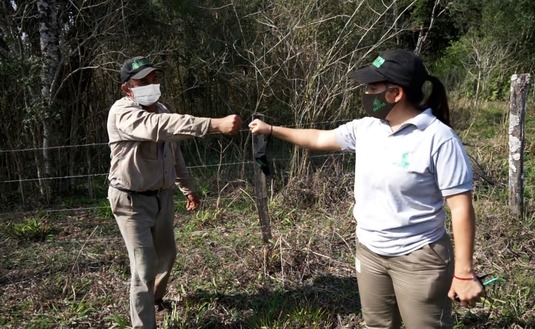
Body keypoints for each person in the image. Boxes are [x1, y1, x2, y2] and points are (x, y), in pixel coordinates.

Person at [249, 49, 484, 328]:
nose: (366, 93)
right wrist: (272, 129)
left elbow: (460, 207)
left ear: (396, 93)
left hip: (420, 257)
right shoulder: (367, 128)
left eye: (373, 87)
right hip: (370, 251)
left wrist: (464, 272)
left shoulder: (438, 138)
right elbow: (319, 138)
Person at [107, 56, 242, 329]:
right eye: (143, 81)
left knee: (167, 255)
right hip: (131, 201)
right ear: (127, 88)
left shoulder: (162, 108)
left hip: (162, 197)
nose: (151, 84)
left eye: (154, 79)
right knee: (143, 268)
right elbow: (158, 128)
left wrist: (187, 189)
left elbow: (174, 154)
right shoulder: (123, 112)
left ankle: (155, 299)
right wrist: (213, 124)